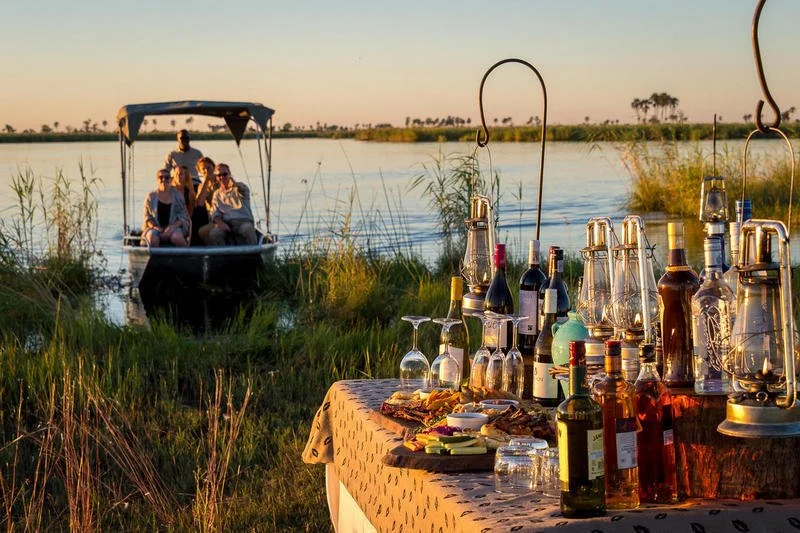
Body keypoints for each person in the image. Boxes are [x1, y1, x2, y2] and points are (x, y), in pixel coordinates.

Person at [206, 163, 257, 246]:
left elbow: (243, 191)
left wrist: (235, 185)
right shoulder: (217, 194)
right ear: (216, 177)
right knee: (214, 233)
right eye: (219, 175)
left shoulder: (240, 187)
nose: (222, 177)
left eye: (225, 174)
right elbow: (214, 212)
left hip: (242, 222)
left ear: (229, 174)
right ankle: (224, 256)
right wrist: (220, 223)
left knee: (248, 229)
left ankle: (255, 254)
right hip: (227, 223)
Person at [141, 168, 190, 247]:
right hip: (155, 228)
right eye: (161, 177)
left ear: (170, 179)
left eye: (167, 177)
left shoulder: (178, 196)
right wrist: (155, 227)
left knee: (177, 237)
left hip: (173, 227)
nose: (164, 179)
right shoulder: (151, 196)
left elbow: (183, 217)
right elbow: (147, 217)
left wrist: (171, 228)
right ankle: (155, 258)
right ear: (157, 180)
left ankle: (183, 257)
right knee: (152, 238)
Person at [195, 157, 218, 245]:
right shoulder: (201, 186)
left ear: (214, 168)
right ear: (200, 171)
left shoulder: (221, 180)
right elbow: (199, 203)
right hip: (212, 219)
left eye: (209, 168)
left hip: (224, 215)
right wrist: (207, 181)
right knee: (201, 231)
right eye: (203, 169)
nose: (206, 171)